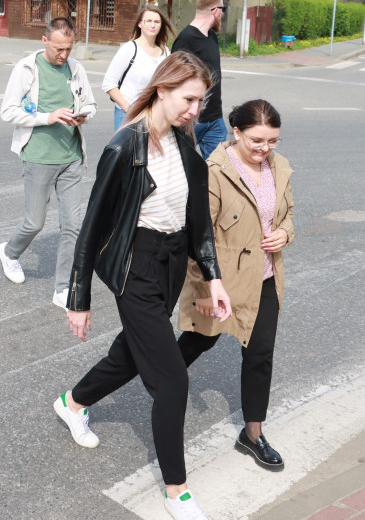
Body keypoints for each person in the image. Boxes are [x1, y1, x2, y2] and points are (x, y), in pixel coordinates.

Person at [54, 51, 232, 520]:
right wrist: (79, 298)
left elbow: (199, 225)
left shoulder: (186, 147)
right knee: (172, 381)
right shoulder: (124, 147)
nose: (196, 109)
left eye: (202, 100)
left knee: (132, 353)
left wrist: (213, 278)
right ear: (164, 88)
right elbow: (91, 226)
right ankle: (178, 492)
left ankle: (72, 402)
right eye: (190, 98)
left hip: (172, 264)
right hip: (136, 266)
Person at [176, 99, 294, 471]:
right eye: (257, 141)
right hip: (222, 281)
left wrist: (284, 234)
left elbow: (288, 215)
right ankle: (159, 380)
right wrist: (204, 289)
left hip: (265, 278)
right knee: (198, 342)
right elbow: (198, 237)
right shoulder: (214, 171)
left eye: (272, 141)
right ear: (236, 132)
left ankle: (253, 434)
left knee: (260, 356)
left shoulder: (279, 167)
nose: (265, 149)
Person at [0, 17, 97, 309]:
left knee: (72, 226)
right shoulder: (27, 68)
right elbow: (8, 111)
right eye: (58, 49)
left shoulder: (76, 69)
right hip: (39, 157)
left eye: (68, 48)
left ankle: (63, 289)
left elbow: (90, 104)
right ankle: (10, 252)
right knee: (35, 222)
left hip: (72, 159)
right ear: (45, 42)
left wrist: (83, 115)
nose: (64, 55)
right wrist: (47, 117)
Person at [172, 0, 226, 159]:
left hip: (215, 119)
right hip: (190, 120)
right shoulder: (185, 39)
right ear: (216, 11)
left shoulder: (211, 36)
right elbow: (175, 81)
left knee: (219, 171)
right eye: (223, 10)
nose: (223, 14)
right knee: (184, 169)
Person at [103, 5, 173, 130]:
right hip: (128, 115)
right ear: (140, 23)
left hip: (155, 115)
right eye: (148, 21)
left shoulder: (165, 52)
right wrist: (129, 109)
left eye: (157, 22)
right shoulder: (130, 48)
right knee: (128, 150)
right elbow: (109, 83)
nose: (153, 25)